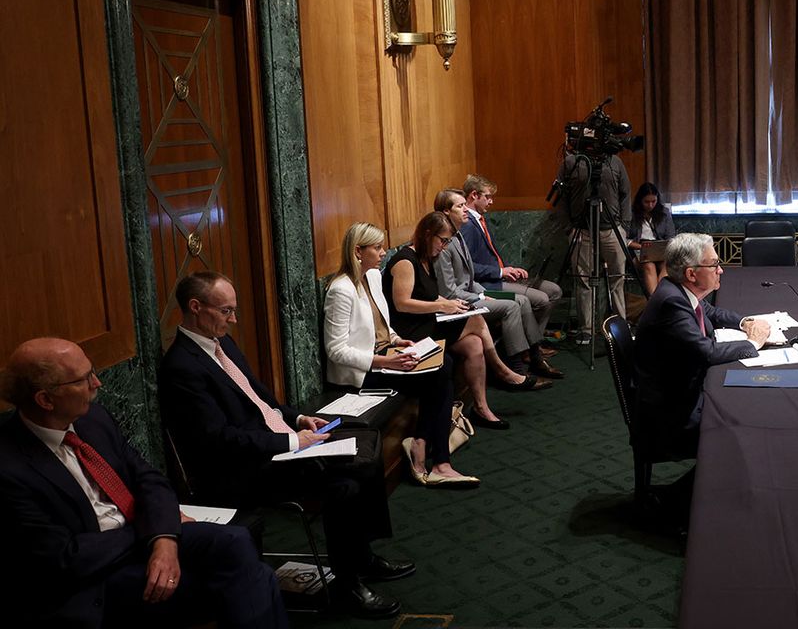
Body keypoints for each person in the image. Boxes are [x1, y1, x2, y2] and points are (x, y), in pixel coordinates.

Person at [159, 270, 415, 618]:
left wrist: (297, 419)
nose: (233, 319)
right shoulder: (181, 366)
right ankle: (349, 584)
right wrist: (291, 441)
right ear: (195, 307)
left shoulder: (222, 343)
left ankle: (362, 559)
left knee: (365, 440)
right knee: (346, 485)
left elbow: (260, 398)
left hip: (276, 442)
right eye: (225, 311)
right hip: (240, 469)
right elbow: (216, 440)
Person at [2, 337, 287, 628]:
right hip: (93, 578)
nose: (97, 383)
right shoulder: (10, 467)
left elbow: (148, 478)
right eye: (83, 378)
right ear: (45, 400)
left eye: (93, 371)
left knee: (236, 540)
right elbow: (63, 559)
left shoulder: (93, 421)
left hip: (139, 537)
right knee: (252, 578)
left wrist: (163, 540)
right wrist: (151, 532)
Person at [317, 227, 479, 488]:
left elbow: (382, 323)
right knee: (437, 375)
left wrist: (396, 340)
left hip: (386, 355)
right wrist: (385, 361)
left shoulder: (371, 276)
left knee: (443, 362)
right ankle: (437, 460)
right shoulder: (340, 290)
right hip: (365, 369)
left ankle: (423, 446)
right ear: (358, 251)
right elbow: (336, 350)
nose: (384, 253)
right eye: (377, 248)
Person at [386, 213, 549, 432]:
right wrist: (443, 306)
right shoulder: (406, 260)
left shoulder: (426, 259)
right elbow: (402, 303)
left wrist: (452, 304)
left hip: (426, 320)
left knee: (474, 344)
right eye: (442, 240)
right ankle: (503, 371)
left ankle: (482, 408)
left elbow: (430, 295)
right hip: (410, 330)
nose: (444, 247)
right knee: (477, 320)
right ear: (427, 234)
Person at [632, 233, 770, 455]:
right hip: (672, 414)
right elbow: (706, 352)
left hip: (682, 393)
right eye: (714, 264)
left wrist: (746, 322)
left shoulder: (678, 289)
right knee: (747, 418)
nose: (721, 270)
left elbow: (712, 312)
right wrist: (753, 343)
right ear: (691, 274)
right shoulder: (671, 302)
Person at [435, 188, 563, 379]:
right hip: (460, 302)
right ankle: (517, 369)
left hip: (476, 291)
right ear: (446, 212)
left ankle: (535, 357)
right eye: (460, 206)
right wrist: (480, 295)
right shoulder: (443, 243)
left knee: (523, 301)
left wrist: (481, 291)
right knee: (512, 305)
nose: (465, 210)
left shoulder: (458, 234)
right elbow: (449, 291)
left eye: (464, 205)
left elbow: (468, 277)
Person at [460, 174, 563, 354]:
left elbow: (492, 255)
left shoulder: (480, 219)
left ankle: (533, 343)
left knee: (554, 290)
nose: (491, 202)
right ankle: (531, 349)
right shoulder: (467, 224)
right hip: (488, 283)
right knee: (542, 299)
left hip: (501, 275)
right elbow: (468, 268)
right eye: (488, 197)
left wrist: (510, 269)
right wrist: (500, 272)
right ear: (474, 195)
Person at [553, 154, 631, 343]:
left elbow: (625, 192)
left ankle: (620, 325)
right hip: (582, 230)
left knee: (617, 278)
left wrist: (624, 226)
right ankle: (586, 329)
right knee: (583, 280)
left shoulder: (615, 161)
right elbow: (562, 198)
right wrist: (568, 228)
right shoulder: (571, 162)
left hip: (612, 229)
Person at [626, 182, 677, 295]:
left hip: (658, 247)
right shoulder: (631, 214)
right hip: (638, 248)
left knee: (666, 265)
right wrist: (641, 246)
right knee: (648, 265)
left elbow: (671, 237)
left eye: (653, 201)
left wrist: (661, 246)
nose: (650, 205)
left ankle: (659, 297)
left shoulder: (664, 213)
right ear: (640, 201)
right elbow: (624, 238)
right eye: (646, 202)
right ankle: (655, 299)